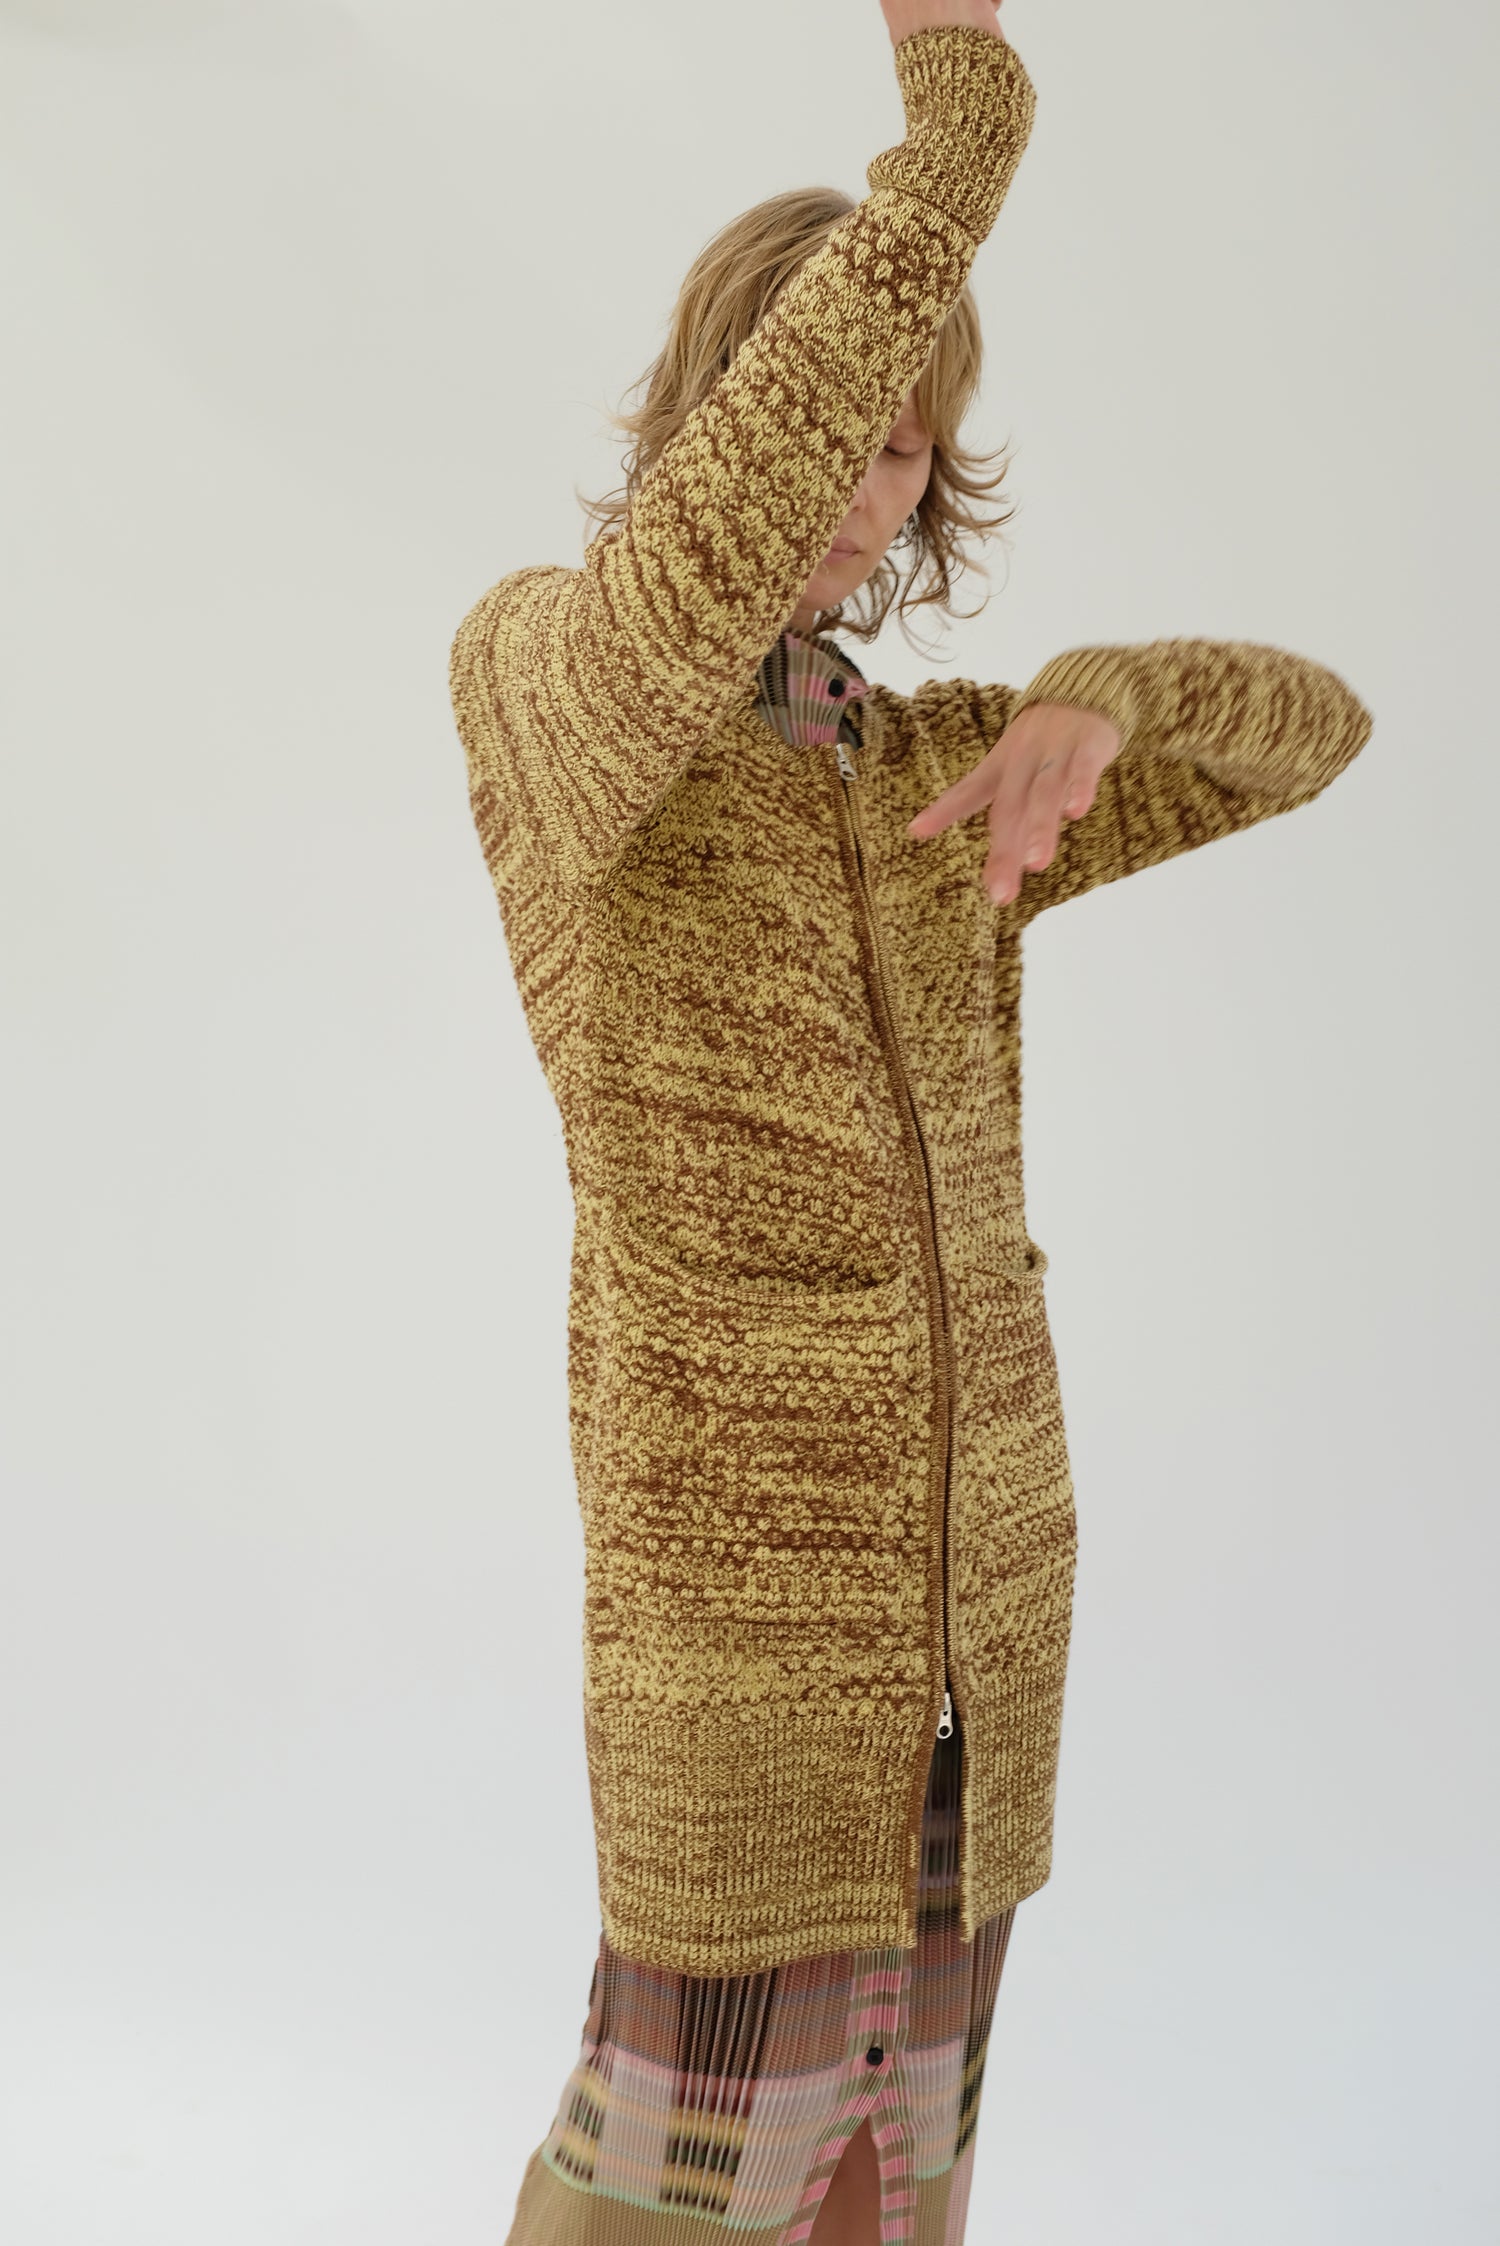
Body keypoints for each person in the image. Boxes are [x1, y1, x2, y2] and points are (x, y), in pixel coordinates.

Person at [448, 3, 1374, 2239]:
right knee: (668, 2180)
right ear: (719, 412)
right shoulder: (551, 686)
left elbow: (1323, 729)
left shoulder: (931, 770)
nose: (857, 484)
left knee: (902, 2173)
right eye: (823, 421)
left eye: (900, 449)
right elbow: (695, 567)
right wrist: (961, 142)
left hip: (984, 1605)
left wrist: (1100, 698)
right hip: (737, 1613)